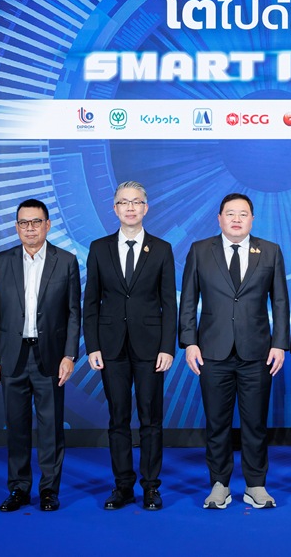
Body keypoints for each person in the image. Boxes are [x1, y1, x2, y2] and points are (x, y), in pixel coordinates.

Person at [178, 193, 290, 509]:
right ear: (219, 218)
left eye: (243, 214)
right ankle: (219, 484)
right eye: (230, 213)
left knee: (255, 423)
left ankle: (256, 485)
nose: (236, 219)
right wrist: (189, 342)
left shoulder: (270, 251)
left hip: (257, 352)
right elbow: (188, 300)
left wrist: (280, 343)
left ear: (252, 219)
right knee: (217, 423)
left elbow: (280, 301)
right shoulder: (201, 250)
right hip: (212, 352)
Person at [83, 181, 176, 511]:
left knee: (151, 420)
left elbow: (169, 303)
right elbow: (90, 301)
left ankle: (150, 487)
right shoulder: (99, 248)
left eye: (137, 202)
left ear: (146, 208)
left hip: (151, 348)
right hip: (111, 347)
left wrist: (167, 347)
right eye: (124, 202)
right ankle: (122, 486)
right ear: (115, 209)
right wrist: (92, 345)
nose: (131, 207)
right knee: (118, 419)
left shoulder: (162, 249)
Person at [0, 198, 81, 512]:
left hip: (50, 357)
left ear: (47, 225)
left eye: (36, 222)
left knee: (51, 428)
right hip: (11, 357)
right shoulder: (2, 261)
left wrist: (69, 355)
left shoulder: (65, 261)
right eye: (24, 223)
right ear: (17, 227)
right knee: (17, 427)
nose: (30, 228)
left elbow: (74, 314)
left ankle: (50, 491)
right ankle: (19, 489)